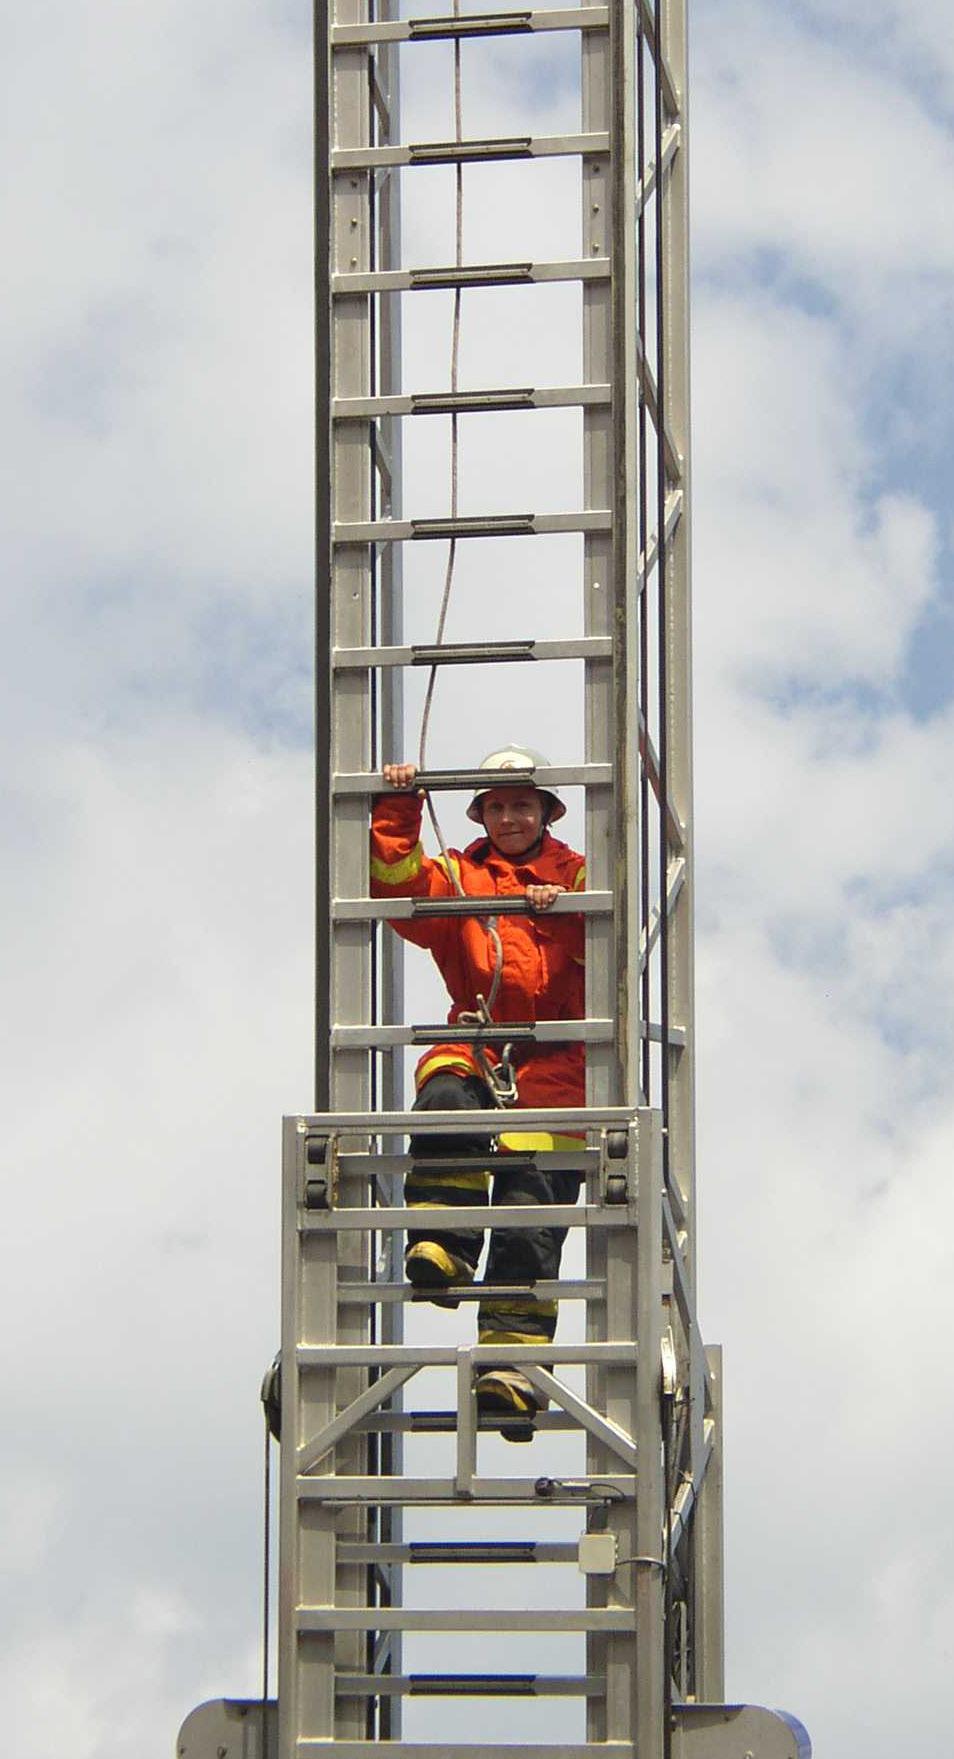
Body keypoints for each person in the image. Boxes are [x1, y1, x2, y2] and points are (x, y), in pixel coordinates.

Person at [370, 746, 586, 1427]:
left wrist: (564, 909)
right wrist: (403, 802)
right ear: (482, 813)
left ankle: (510, 1370)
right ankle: (442, 1244)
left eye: (522, 803)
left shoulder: (579, 872)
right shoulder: (460, 874)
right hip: (480, 1033)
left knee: (532, 1201)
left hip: (557, 1060)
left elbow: (617, 944)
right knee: (443, 1098)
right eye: (496, 805)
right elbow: (397, 890)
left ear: (546, 811)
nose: (509, 816)